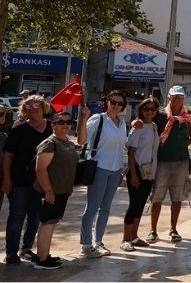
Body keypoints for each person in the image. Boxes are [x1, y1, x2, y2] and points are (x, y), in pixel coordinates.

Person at [144, 85, 191, 244]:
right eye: (174, 97)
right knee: (157, 197)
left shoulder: (188, 118)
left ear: (183, 99)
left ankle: (173, 229)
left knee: (177, 197)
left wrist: (181, 145)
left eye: (180, 97)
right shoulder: (160, 116)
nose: (177, 100)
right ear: (169, 98)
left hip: (181, 161)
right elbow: (145, 122)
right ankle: (153, 230)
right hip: (162, 161)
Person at [3, 95, 52, 265]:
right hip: (19, 182)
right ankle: (11, 253)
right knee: (17, 216)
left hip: (41, 182)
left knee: (35, 217)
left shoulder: (52, 128)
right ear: (25, 110)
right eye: (29, 106)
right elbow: (8, 156)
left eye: (37, 105)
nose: (34, 109)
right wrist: (6, 180)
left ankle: (26, 248)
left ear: (44, 107)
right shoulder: (19, 130)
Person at [79, 89, 128, 258]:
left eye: (119, 103)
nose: (115, 106)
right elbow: (81, 140)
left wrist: (122, 169)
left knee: (106, 208)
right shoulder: (97, 119)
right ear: (106, 101)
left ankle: (98, 241)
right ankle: (86, 245)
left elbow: (121, 148)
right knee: (92, 208)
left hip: (115, 170)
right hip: (99, 167)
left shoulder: (122, 123)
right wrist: (84, 118)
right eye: (112, 102)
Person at [31, 110, 79, 270]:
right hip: (51, 192)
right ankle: (41, 259)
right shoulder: (49, 143)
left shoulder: (68, 142)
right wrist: (48, 191)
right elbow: (40, 170)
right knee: (48, 223)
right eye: (61, 122)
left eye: (68, 122)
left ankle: (44, 254)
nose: (65, 125)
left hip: (62, 191)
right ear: (53, 124)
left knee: (52, 222)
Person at [121, 97, 160, 252]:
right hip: (136, 170)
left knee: (141, 204)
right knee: (134, 204)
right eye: (146, 109)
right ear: (141, 110)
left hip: (149, 171)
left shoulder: (154, 126)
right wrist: (134, 175)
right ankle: (125, 238)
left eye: (153, 109)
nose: (149, 111)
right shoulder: (138, 126)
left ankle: (134, 236)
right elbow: (131, 152)